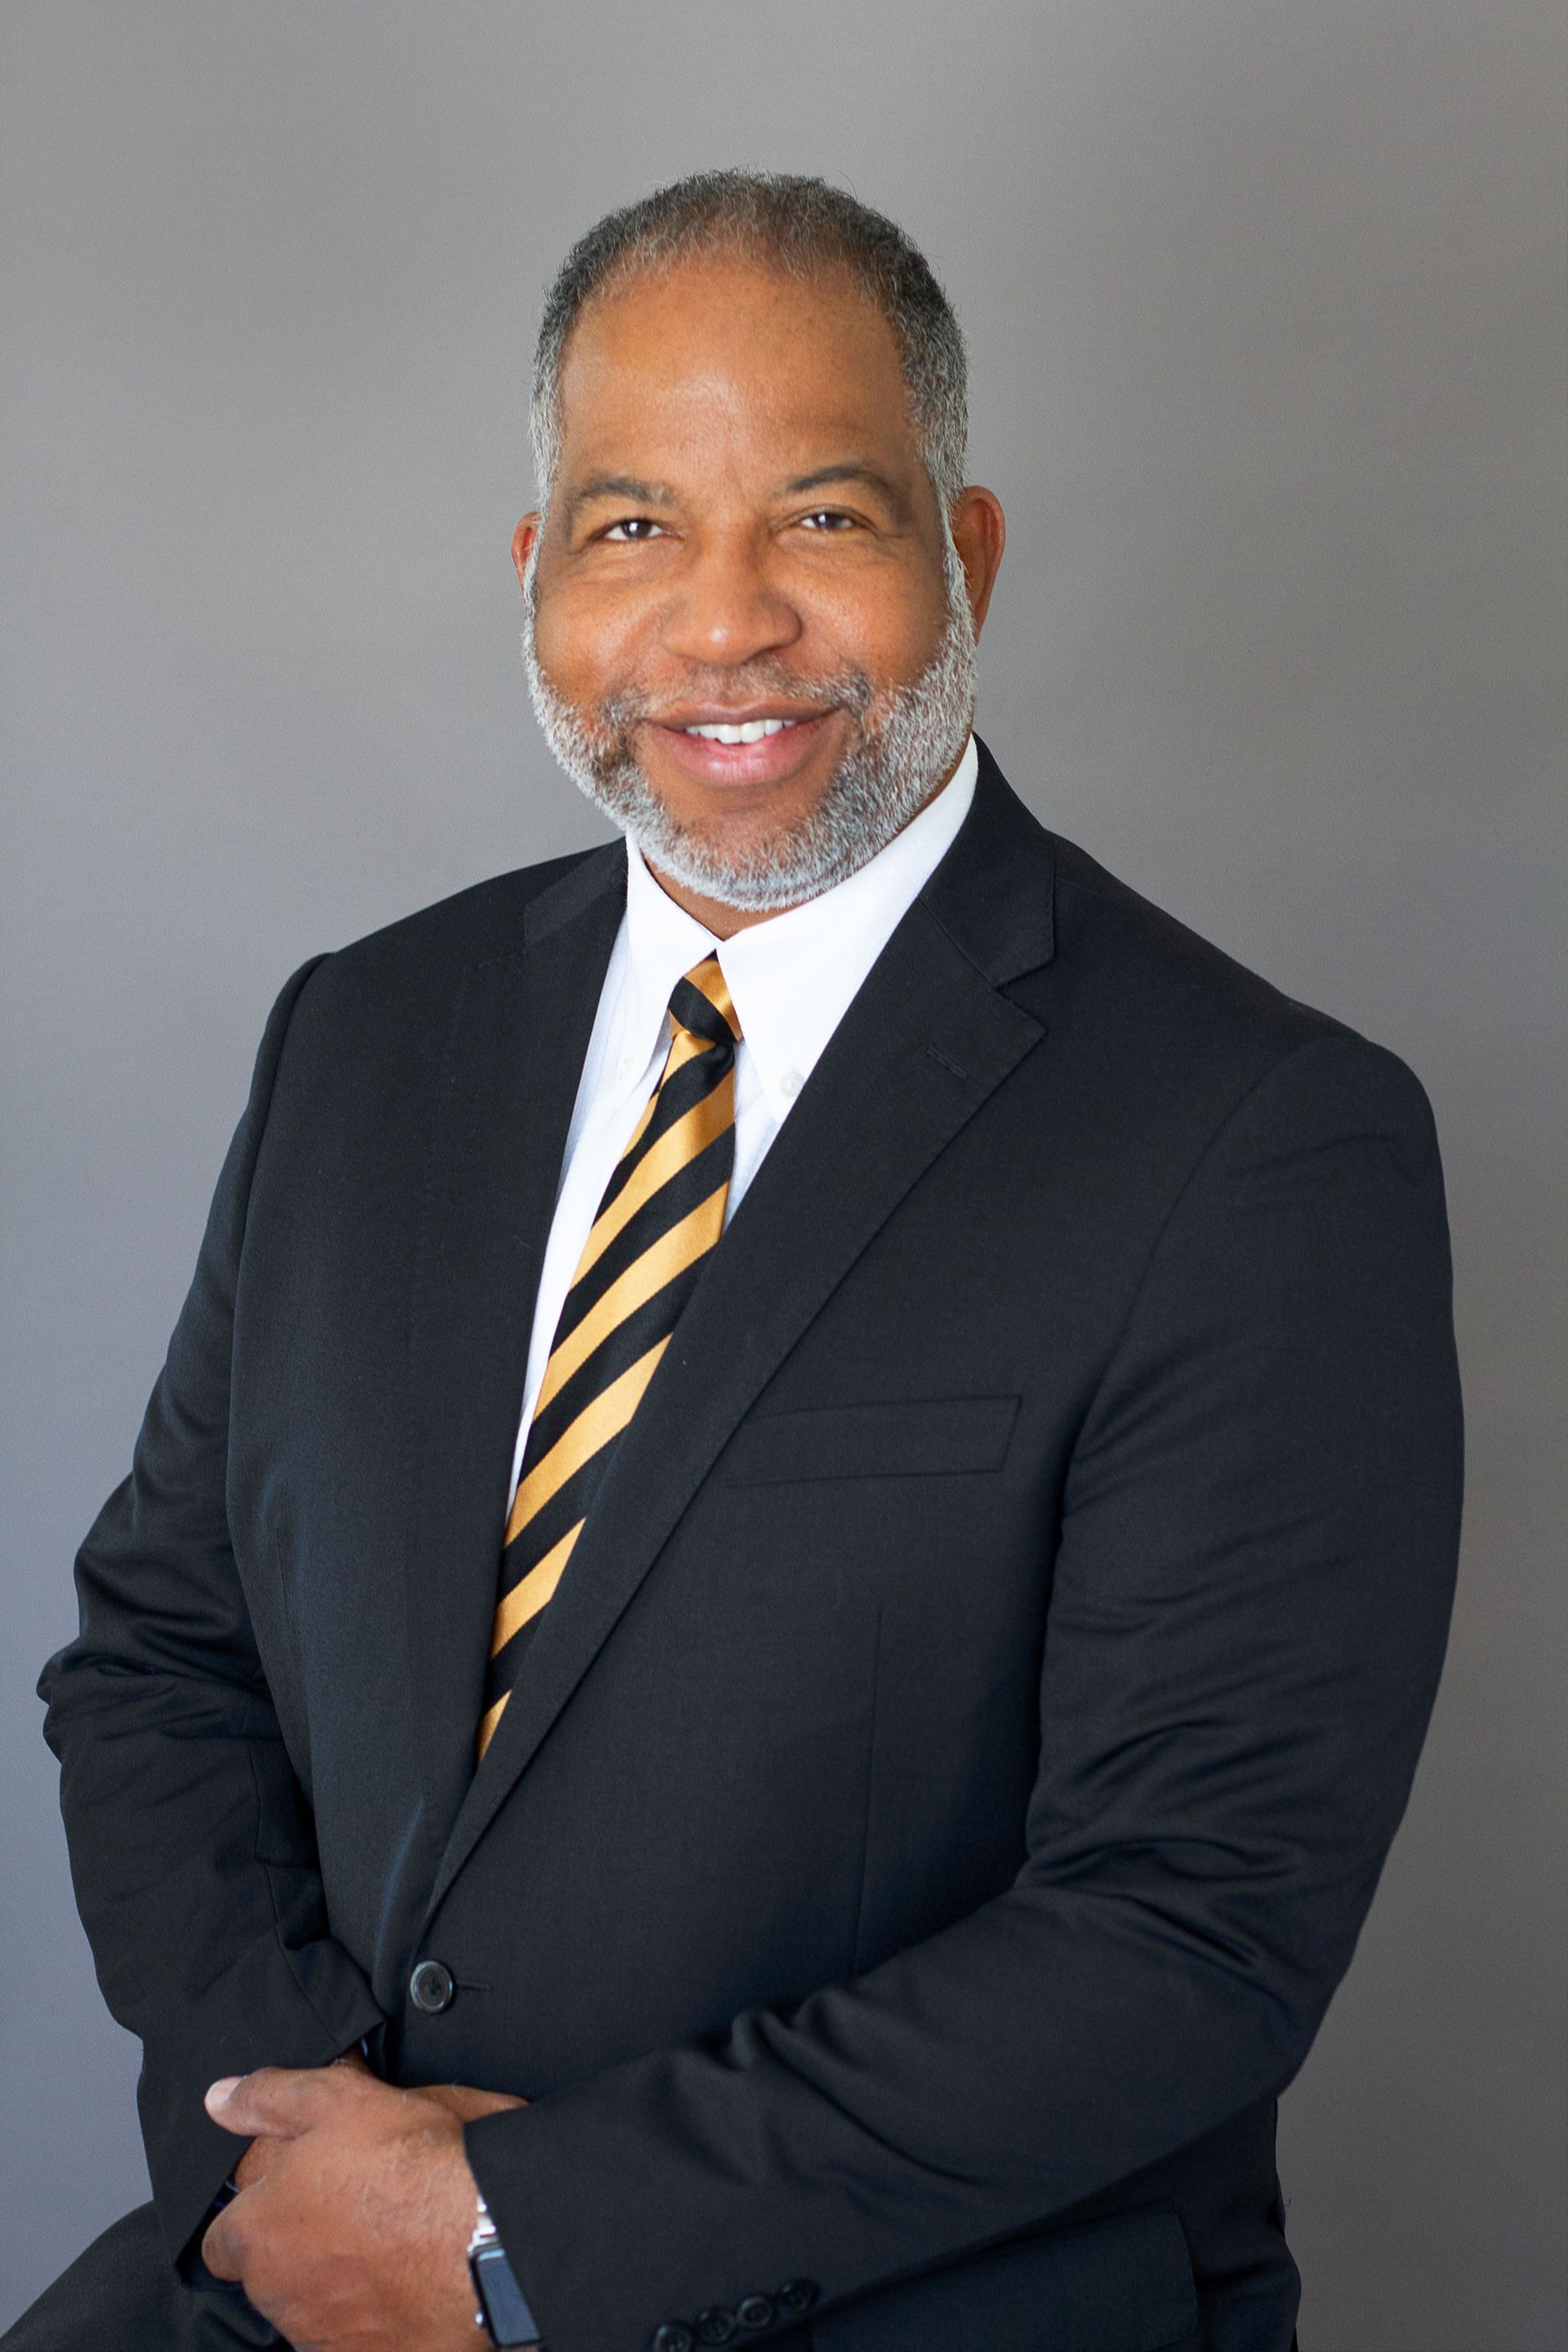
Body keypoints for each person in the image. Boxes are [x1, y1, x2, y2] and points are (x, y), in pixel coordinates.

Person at [9, 171, 1462, 2352]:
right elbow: (159, 1651)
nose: (721, 624)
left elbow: (1189, 1939)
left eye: (823, 518)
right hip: (291, 2274)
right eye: (631, 531)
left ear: (962, 554)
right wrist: (288, 2165)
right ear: (538, 587)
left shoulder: (1259, 1141)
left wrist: (510, 2236)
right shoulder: (366, 1036)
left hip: (899, 2308)